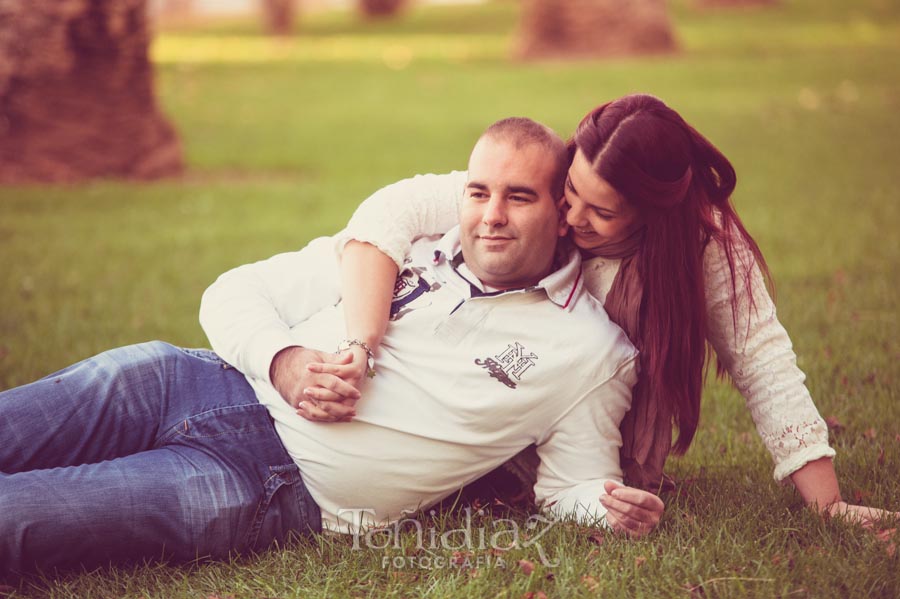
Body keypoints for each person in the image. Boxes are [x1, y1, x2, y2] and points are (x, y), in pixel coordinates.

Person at [0, 118, 661, 578]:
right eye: (479, 192)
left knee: (20, 517)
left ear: (560, 210)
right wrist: (284, 362)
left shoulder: (590, 350)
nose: (491, 215)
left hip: (263, 484)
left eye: (519, 197)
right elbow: (233, 291)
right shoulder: (405, 245)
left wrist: (605, 503)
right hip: (190, 378)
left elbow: (570, 481)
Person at [299, 94, 895, 526]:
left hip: (583, 427)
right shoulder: (540, 190)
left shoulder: (706, 254)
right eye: (571, 195)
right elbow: (391, 211)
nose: (572, 219)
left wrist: (829, 502)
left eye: (600, 214)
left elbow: (763, 364)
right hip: (493, 400)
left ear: (652, 217)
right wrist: (364, 337)